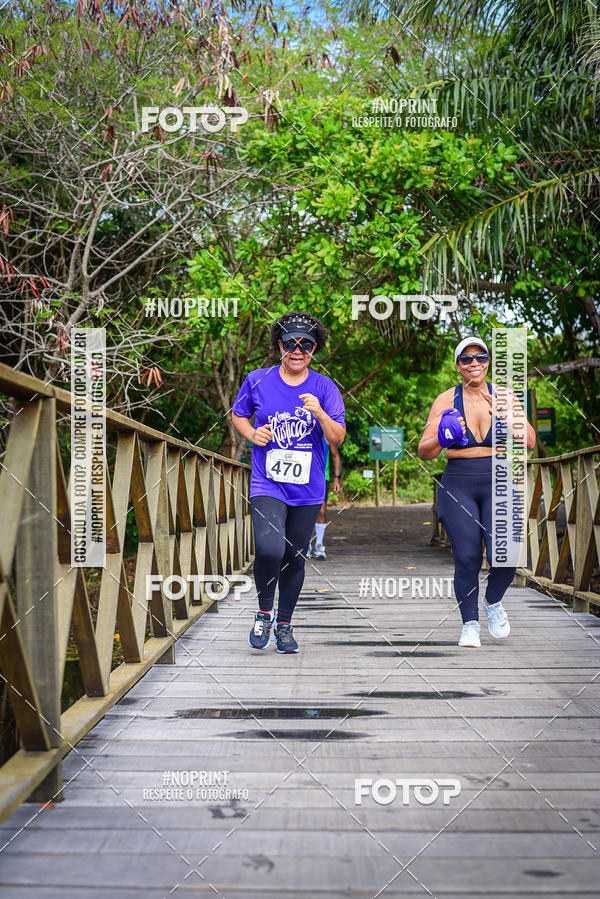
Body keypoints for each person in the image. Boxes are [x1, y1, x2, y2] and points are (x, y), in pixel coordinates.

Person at [231, 311, 346, 653]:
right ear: (279, 346)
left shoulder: (324, 387)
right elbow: (239, 414)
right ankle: (264, 612)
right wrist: (253, 433)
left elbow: (337, 437)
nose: (298, 351)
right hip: (268, 481)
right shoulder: (257, 379)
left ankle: (284, 626)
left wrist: (320, 413)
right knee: (269, 548)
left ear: (315, 349)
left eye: (306, 344)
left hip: (308, 488)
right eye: (291, 344)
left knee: (295, 556)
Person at [418, 337, 536, 647]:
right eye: (467, 359)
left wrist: (508, 416)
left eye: (480, 357)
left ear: (488, 362)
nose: (474, 363)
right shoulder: (446, 399)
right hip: (458, 482)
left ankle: (493, 602)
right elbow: (424, 451)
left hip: (498, 479)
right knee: (468, 557)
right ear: (458, 365)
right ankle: (470, 623)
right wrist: (443, 437)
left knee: (508, 553)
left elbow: (531, 441)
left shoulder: (505, 396)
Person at [306, 438, 342, 559]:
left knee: (321, 512)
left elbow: (335, 456)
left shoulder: (327, 436)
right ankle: (306, 545)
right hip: (303, 477)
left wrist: (336, 477)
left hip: (321, 478)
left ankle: (319, 545)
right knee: (304, 512)